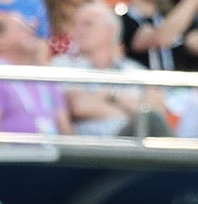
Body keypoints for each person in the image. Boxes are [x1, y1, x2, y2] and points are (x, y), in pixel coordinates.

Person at [51, 1, 173, 138]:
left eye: (87, 24)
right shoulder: (64, 65)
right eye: (75, 25)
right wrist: (131, 109)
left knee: (152, 122)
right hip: (93, 146)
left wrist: (110, 95)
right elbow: (79, 106)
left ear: (110, 31)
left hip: (133, 143)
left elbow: (158, 112)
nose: (78, 31)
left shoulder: (134, 70)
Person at [0, 12, 72, 135]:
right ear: (0, 39)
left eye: (29, 27)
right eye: (21, 28)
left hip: (52, 146)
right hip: (12, 147)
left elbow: (66, 131)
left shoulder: (45, 78)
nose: (30, 31)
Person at [119, 0, 198, 72]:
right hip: (142, 93)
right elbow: (161, 38)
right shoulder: (123, 20)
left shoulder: (168, 18)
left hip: (174, 93)